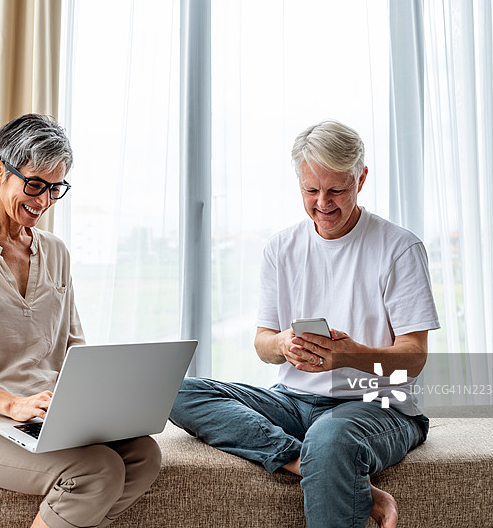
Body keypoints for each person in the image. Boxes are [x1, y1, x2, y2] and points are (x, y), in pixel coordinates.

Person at [169, 120, 440, 528]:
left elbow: (413, 358)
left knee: (330, 437)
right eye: (311, 190)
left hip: (377, 404)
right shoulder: (282, 247)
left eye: (336, 190)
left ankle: (328, 458)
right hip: (293, 400)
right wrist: (284, 345)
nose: (322, 203)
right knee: (176, 390)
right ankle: (322, 470)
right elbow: (262, 343)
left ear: (360, 179)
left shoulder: (399, 247)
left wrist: (348, 354)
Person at [0, 114, 161, 528]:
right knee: (98, 469)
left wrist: (95, 404)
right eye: (34, 185)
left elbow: (72, 346)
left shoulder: (57, 252)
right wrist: (10, 403)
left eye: (55, 189)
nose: (43, 201)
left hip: (47, 414)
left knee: (144, 454)